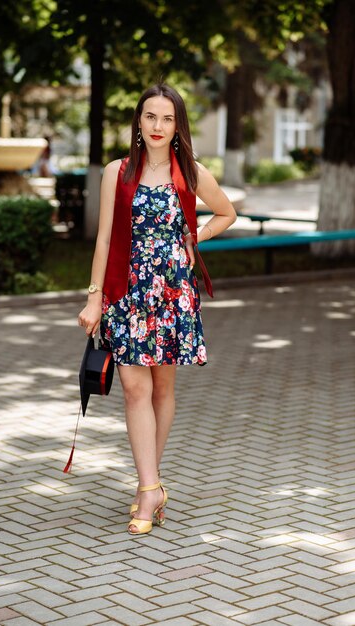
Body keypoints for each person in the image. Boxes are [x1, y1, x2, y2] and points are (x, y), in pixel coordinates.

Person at [78, 83, 236, 535]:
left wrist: (193, 239)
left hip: (171, 295)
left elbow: (225, 213)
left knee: (162, 390)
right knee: (133, 388)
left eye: (167, 119)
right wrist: (94, 296)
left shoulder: (191, 172)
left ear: (177, 126)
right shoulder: (118, 172)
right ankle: (149, 487)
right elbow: (105, 239)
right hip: (127, 293)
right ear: (139, 122)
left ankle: (150, 483)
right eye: (151, 117)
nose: (158, 126)